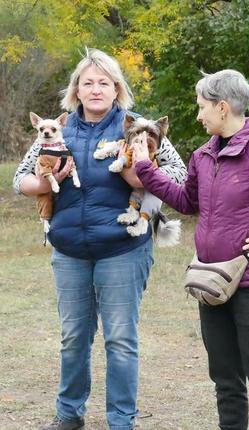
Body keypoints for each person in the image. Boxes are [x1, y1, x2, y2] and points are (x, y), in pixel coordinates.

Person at [13, 48, 187, 430]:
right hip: (70, 249)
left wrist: (140, 174)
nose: (95, 89)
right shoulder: (59, 129)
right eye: (87, 82)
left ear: (117, 88)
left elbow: (179, 174)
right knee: (74, 338)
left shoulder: (137, 125)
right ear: (76, 90)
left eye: (103, 82)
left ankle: (121, 421)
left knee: (120, 340)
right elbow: (20, 178)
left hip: (122, 247)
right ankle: (69, 414)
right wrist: (44, 181)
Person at [133, 69, 249, 430]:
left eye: (202, 107)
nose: (198, 115)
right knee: (226, 382)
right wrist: (145, 170)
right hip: (211, 284)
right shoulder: (202, 156)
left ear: (223, 107)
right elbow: (186, 201)